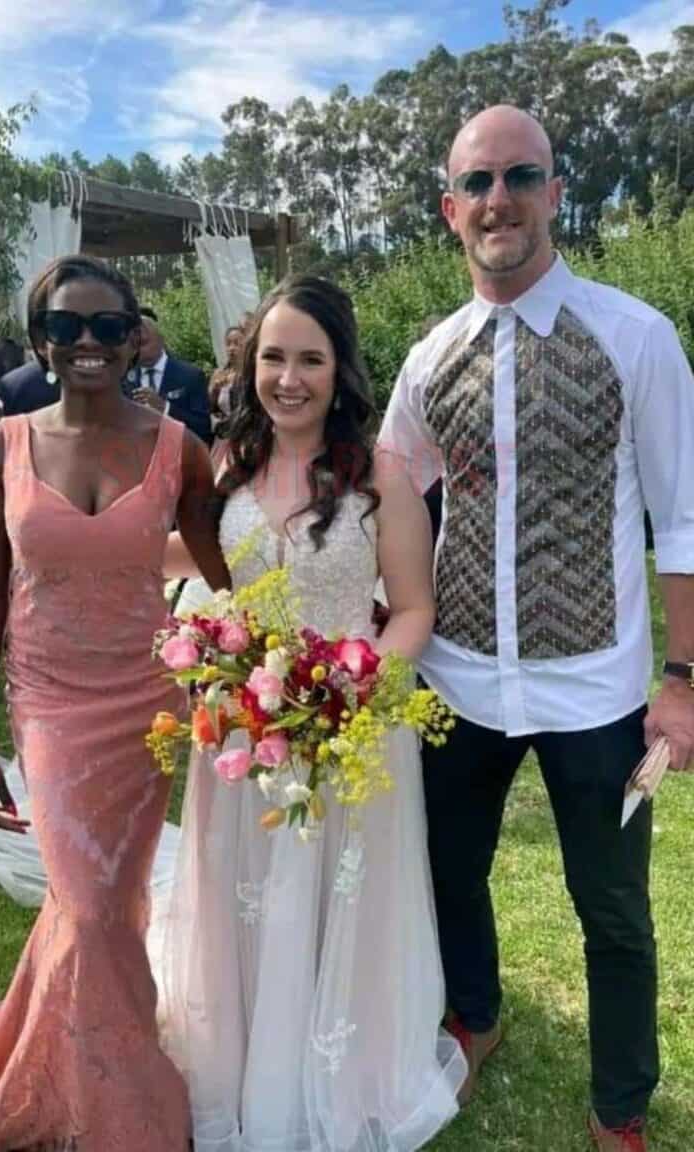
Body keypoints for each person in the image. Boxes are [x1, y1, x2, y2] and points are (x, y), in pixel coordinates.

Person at [379, 104, 694, 1152]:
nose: (498, 199)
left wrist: (683, 680)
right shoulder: (430, 359)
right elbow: (394, 490)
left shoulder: (635, 337)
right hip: (459, 682)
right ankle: (475, 1015)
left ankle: (621, 1106)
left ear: (556, 193)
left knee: (613, 912)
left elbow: (683, 518)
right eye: (477, 183)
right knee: (448, 871)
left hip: (594, 690)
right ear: (450, 209)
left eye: (520, 177)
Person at [0, 254, 230, 1151]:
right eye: (66, 326)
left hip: (147, 705)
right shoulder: (1, 447)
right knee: (89, 904)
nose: (87, 342)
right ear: (40, 342)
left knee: (111, 905)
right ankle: (120, 1104)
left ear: (136, 336)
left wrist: (297, 635)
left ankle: (85, 1066)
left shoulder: (179, 449)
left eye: (108, 326)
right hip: (51, 706)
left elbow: (225, 572)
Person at [161, 275, 466, 1151]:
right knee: (247, 895)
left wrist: (347, 699)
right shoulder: (229, 464)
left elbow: (413, 610)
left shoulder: (382, 475)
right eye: (273, 358)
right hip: (244, 728)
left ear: (341, 371)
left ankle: (339, 1065)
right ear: (250, 364)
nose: (288, 379)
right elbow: (202, 564)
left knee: (334, 895)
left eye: (310, 360)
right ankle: (245, 1053)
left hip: (347, 728)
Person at [126, 306, 212, 445]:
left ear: (161, 339)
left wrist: (165, 408)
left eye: (145, 341)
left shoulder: (191, 376)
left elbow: (203, 429)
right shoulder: (124, 381)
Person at [208, 322, 245, 470]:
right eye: (228, 343)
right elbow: (208, 408)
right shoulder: (219, 374)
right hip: (222, 437)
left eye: (237, 343)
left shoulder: (251, 375)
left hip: (244, 436)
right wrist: (213, 390)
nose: (232, 348)